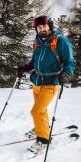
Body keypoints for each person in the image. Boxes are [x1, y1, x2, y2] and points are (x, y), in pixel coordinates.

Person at [17, 15, 76, 153]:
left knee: (36, 111)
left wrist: (66, 73)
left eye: (44, 26)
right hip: (37, 81)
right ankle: (40, 127)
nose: (42, 29)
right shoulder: (38, 41)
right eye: (39, 27)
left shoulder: (60, 41)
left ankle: (43, 141)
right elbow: (34, 61)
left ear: (50, 26)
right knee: (40, 110)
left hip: (52, 82)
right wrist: (26, 67)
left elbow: (70, 62)